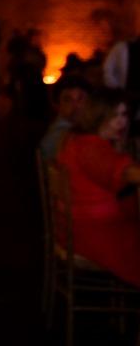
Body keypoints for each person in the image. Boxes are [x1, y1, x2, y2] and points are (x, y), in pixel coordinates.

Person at [56, 89, 140, 287]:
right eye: (115, 116)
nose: (122, 122)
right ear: (98, 116)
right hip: (94, 234)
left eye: (124, 115)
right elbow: (127, 173)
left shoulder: (78, 140)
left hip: (75, 229)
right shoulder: (91, 148)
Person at [38, 74, 91, 162]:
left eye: (80, 98)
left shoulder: (87, 128)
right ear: (57, 105)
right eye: (68, 100)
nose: (76, 105)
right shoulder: (58, 136)